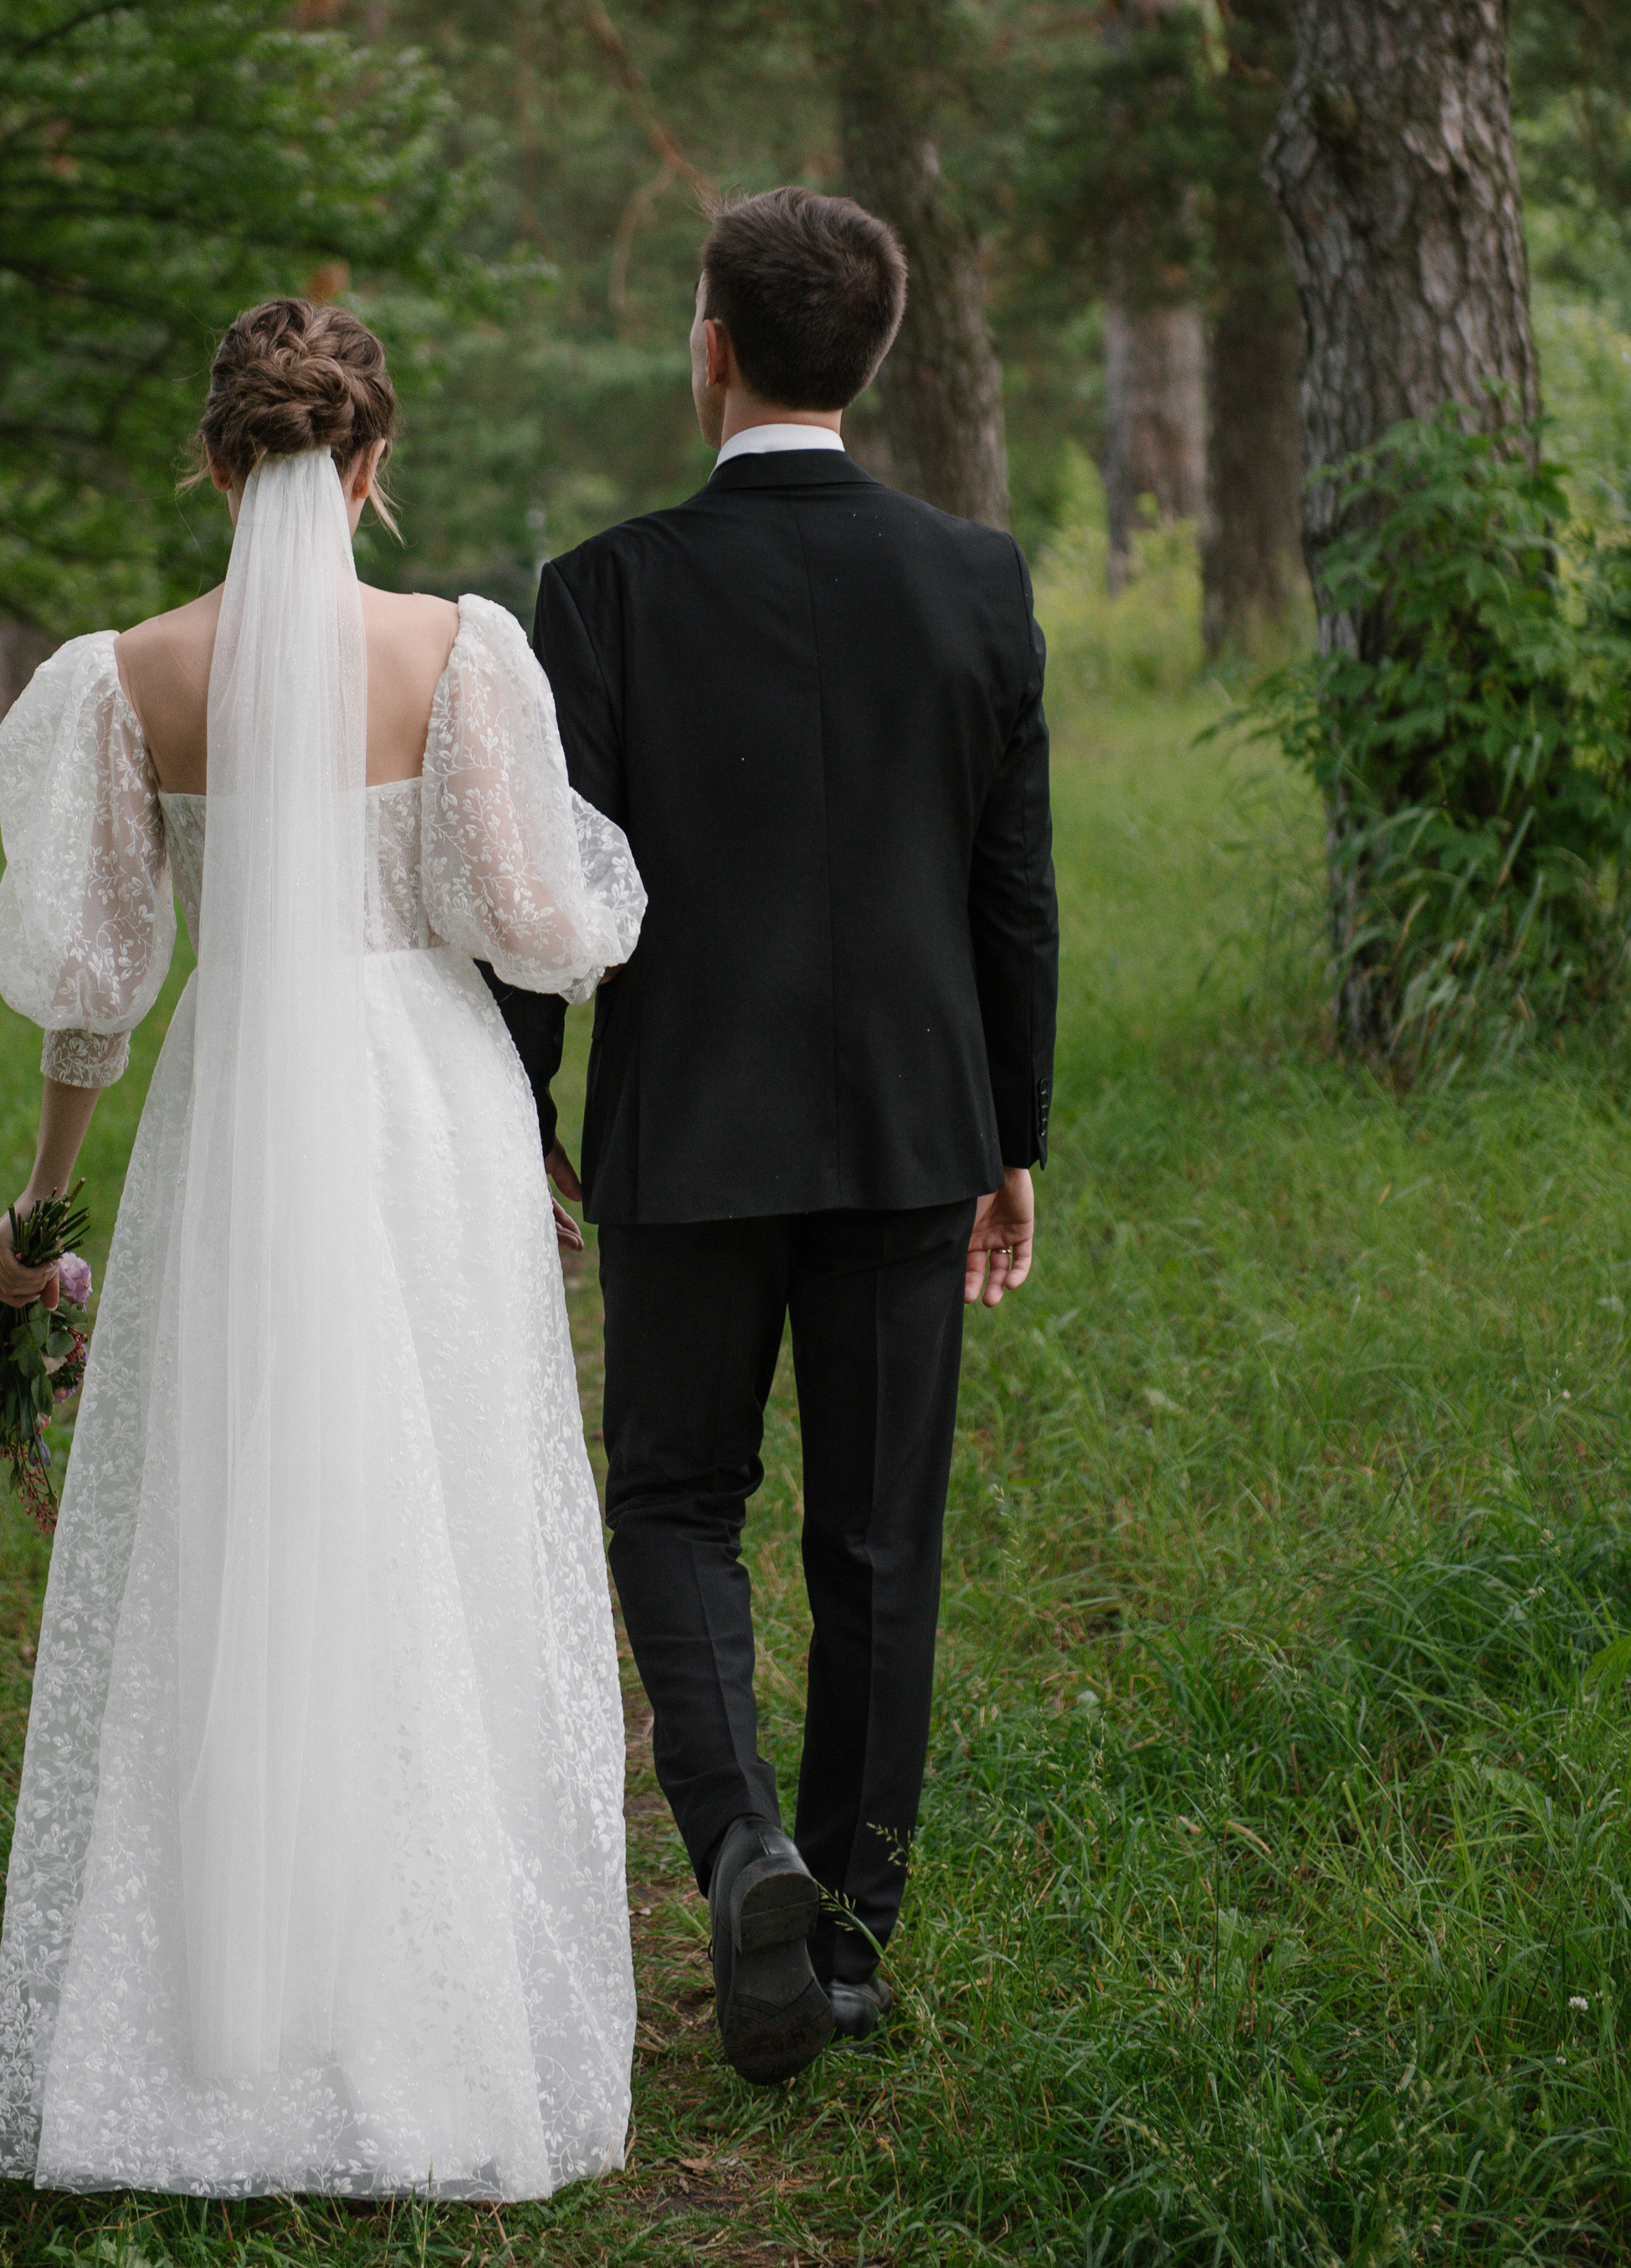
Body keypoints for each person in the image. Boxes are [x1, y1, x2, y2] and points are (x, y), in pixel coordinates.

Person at [0, 299, 645, 2202]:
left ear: (213, 464)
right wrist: (609, 916)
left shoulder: (126, 680)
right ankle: (431, 2034)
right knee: (426, 1519)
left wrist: (37, 1221)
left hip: (232, 1116)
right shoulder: (457, 651)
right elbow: (525, 921)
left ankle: (211, 2056)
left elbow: (92, 997)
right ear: (369, 468)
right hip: (424, 1107)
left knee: (235, 1538)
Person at [490, 187, 1058, 2086]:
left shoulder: (605, 585)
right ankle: (853, 1947)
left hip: (684, 1123)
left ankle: (743, 1841)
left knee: (671, 1499)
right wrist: (1014, 1129)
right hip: (915, 1119)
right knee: (877, 1535)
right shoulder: (976, 578)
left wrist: (522, 1106)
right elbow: (1011, 890)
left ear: (709, 345)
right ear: (867, 360)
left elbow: (545, 894)